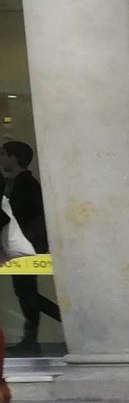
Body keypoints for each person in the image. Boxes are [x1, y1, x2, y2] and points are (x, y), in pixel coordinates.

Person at [0, 140, 59, 352]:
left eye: (3, 154)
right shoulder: (18, 183)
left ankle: (36, 336)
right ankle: (30, 339)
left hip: (26, 248)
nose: (1, 159)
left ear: (13, 158)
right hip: (25, 247)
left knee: (27, 293)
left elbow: (18, 217)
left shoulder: (26, 185)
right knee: (26, 292)